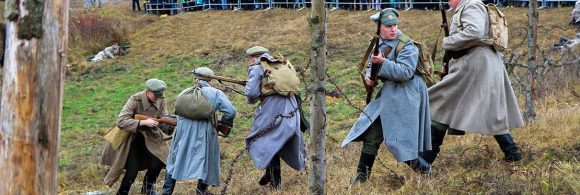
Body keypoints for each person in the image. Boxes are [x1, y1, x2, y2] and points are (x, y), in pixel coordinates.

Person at [420, 0, 524, 166]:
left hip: (476, 64)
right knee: (484, 108)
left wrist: (448, 42)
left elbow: (474, 32)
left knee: (442, 101)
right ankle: (512, 153)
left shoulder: (471, 5)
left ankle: (425, 159)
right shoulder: (468, 6)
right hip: (474, 63)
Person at [341, 8, 432, 184]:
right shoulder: (377, 42)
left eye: (395, 25)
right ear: (379, 27)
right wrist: (370, 78)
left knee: (399, 141)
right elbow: (371, 65)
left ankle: (428, 174)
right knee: (372, 134)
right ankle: (361, 178)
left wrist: (384, 63)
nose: (393, 29)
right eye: (388, 26)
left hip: (406, 95)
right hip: (389, 96)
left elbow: (406, 72)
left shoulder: (406, 44)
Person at [161, 67, 236, 195]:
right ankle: (201, 190)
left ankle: (166, 192)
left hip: (182, 133)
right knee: (207, 159)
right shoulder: (216, 93)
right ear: (211, 80)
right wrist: (224, 123)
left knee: (175, 160)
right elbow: (231, 111)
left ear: (196, 79)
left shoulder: (184, 92)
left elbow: (178, 112)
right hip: (205, 132)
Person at [244, 46, 306, 189]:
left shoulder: (256, 67)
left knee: (264, 139)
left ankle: (275, 181)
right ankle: (270, 174)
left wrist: (248, 93)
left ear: (253, 57)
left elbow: (252, 94)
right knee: (274, 139)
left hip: (273, 108)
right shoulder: (279, 64)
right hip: (291, 106)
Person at [100, 79, 171, 195]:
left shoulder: (161, 99)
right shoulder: (135, 99)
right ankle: (123, 192)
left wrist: (170, 126)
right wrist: (142, 123)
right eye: (155, 95)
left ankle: (148, 187)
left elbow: (163, 121)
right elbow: (121, 121)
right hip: (132, 139)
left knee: (159, 159)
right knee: (132, 169)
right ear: (148, 91)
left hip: (150, 138)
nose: (158, 98)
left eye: (160, 95)